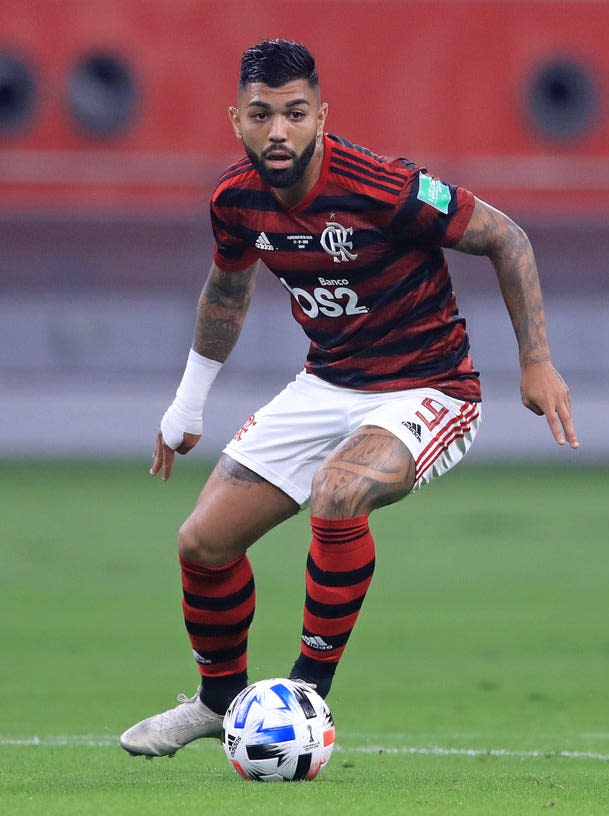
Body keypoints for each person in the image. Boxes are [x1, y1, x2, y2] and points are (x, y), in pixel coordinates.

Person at [120, 38, 579, 758]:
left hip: (428, 387)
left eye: (295, 114)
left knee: (337, 492)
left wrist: (538, 363)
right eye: (261, 114)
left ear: (321, 117)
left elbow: (507, 237)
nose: (278, 131)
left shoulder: (382, 186)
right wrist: (187, 404)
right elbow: (228, 288)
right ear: (234, 120)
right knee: (202, 543)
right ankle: (217, 702)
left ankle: (305, 700)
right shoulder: (234, 199)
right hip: (327, 380)